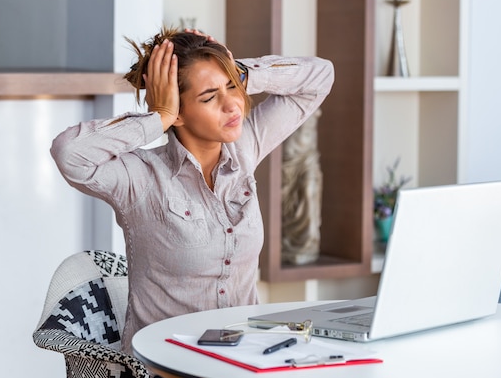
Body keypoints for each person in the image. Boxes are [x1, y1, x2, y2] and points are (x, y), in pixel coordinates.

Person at [50, 27, 334, 353]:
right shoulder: (138, 178)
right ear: (178, 112)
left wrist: (239, 70)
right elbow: (69, 153)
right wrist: (157, 118)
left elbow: (320, 76)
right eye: (210, 97)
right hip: (165, 367)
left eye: (233, 88)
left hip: (242, 361)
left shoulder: (244, 149)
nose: (233, 105)